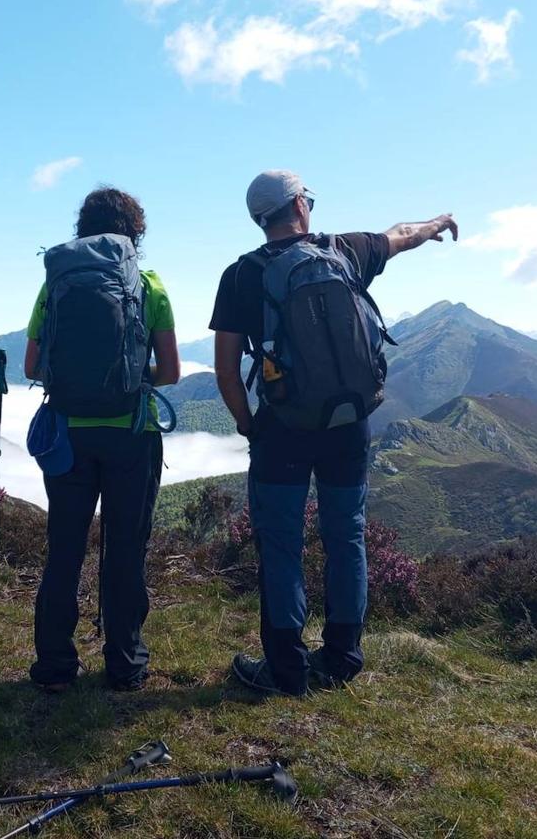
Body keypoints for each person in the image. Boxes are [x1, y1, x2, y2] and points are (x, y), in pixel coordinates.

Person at [211, 170, 457, 696]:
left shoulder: (243, 275)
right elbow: (401, 233)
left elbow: (228, 370)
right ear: (299, 205)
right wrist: (437, 223)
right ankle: (342, 658)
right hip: (349, 422)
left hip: (283, 427)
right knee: (345, 535)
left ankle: (286, 670)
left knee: (281, 544)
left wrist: (248, 424)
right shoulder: (346, 251)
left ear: (261, 219)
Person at [23, 187, 181, 692]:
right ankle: (125, 663)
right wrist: (131, 377)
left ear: (81, 229)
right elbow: (173, 371)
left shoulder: (54, 286)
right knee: (126, 548)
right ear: (136, 230)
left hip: (68, 435)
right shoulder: (150, 286)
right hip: (132, 435)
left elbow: (32, 365)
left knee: (64, 548)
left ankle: (54, 665)